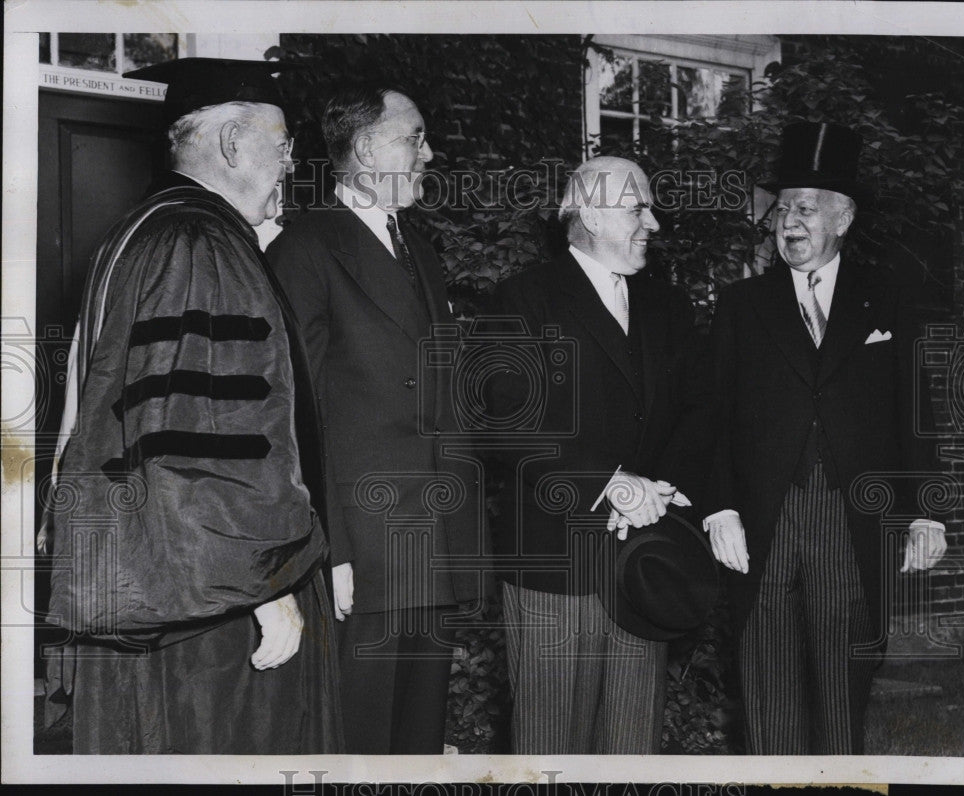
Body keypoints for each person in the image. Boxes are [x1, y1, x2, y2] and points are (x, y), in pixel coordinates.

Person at [42, 57, 344, 754]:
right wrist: (267, 590)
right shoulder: (197, 244)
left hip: (156, 583)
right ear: (235, 143)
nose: (291, 163)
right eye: (284, 143)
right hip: (209, 614)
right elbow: (202, 442)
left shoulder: (137, 233)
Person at [704, 121, 948, 754]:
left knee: (842, 696)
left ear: (843, 217)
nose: (789, 221)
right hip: (764, 523)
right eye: (782, 208)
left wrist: (927, 513)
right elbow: (712, 415)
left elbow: (916, 410)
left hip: (851, 519)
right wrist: (720, 507)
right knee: (768, 697)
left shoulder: (887, 300)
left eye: (806, 208)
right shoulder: (740, 304)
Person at [266, 86, 485, 754]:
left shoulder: (420, 249)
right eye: (413, 138)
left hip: (433, 545)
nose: (429, 152)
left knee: (417, 744)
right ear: (365, 148)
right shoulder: (305, 249)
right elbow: (293, 416)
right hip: (363, 554)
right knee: (358, 744)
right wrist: (330, 548)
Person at [488, 156, 713, 753]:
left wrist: (659, 490)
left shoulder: (670, 307)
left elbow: (699, 411)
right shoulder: (521, 299)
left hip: (645, 560)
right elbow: (507, 420)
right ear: (588, 212)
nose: (654, 223)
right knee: (551, 752)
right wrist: (611, 483)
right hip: (554, 564)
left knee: (632, 750)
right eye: (639, 206)